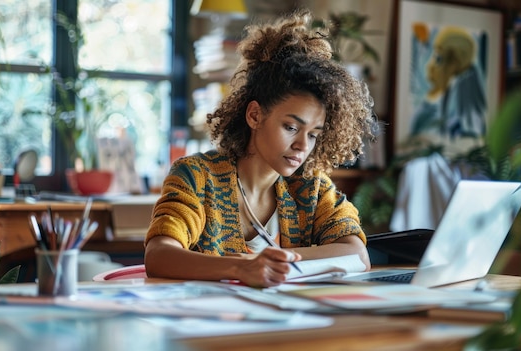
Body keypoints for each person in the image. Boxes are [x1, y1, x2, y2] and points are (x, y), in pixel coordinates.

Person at [144, 9, 377, 288]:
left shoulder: (311, 187)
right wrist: (242, 267)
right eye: (291, 127)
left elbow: (357, 254)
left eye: (314, 134)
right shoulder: (197, 176)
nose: (303, 146)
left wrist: (271, 261)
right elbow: (159, 255)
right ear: (255, 115)